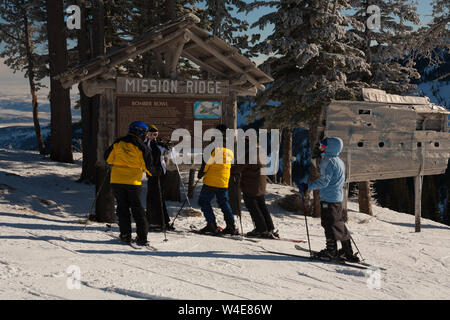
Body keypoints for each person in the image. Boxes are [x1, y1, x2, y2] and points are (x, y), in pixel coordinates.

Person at [298, 137, 359, 262]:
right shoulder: (339, 161)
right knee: (338, 223)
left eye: (324, 145)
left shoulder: (327, 161)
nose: (321, 147)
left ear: (331, 147)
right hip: (337, 198)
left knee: (329, 224)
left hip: (329, 199)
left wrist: (307, 186)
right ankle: (347, 251)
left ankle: (331, 251)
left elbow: (324, 182)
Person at [104, 121, 160, 246]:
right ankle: (142, 237)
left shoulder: (118, 142)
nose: (146, 135)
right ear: (140, 132)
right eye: (144, 132)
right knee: (137, 209)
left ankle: (125, 234)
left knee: (122, 207)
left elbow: (108, 158)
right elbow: (148, 168)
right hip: (133, 181)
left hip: (117, 179)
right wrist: (157, 172)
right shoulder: (141, 146)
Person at [233, 138, 278, 238]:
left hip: (251, 184)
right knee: (262, 205)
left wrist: (233, 169)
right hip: (261, 183)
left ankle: (261, 229)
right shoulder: (261, 151)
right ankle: (269, 227)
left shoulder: (250, 154)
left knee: (253, 206)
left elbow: (239, 166)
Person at [197, 124, 237, 235]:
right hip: (224, 181)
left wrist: (201, 173)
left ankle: (211, 224)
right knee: (224, 203)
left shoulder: (212, 146)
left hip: (211, 180)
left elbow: (206, 163)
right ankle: (231, 226)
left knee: (204, 201)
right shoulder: (229, 147)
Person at [144, 124, 173, 232]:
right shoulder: (144, 144)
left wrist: (169, 148)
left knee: (158, 196)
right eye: (151, 134)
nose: (153, 136)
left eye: (155, 134)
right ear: (147, 134)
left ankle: (160, 222)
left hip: (161, 173)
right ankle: (154, 220)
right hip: (151, 173)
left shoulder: (159, 145)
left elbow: (168, 156)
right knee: (152, 196)